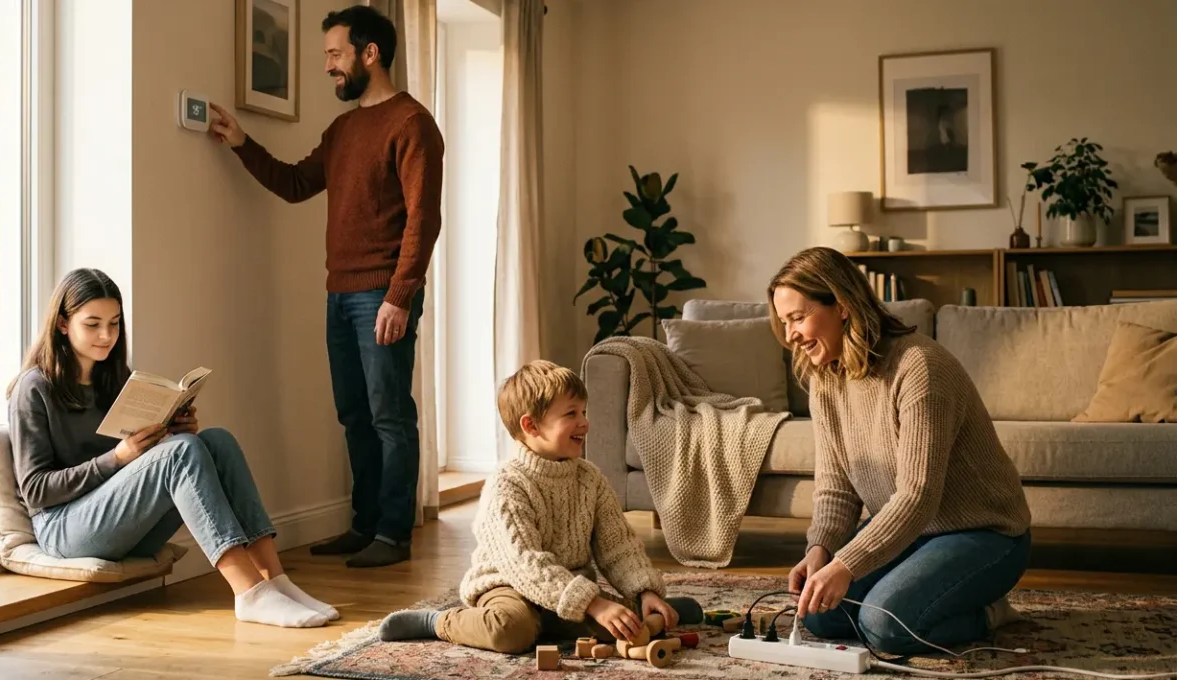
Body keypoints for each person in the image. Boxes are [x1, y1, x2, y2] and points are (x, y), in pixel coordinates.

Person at [208, 5, 444, 569]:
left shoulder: (412, 124)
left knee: (390, 416)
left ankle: (393, 533)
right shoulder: (342, 131)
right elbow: (294, 183)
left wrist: (399, 296)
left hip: (382, 294)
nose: (328, 66)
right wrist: (241, 141)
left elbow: (423, 219)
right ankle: (365, 526)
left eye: (336, 54)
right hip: (340, 294)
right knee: (354, 415)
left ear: (370, 54)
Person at [6, 268, 338, 629]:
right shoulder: (34, 388)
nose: (106, 336)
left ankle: (275, 579)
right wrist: (118, 457)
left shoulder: (113, 378)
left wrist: (171, 430)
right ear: (62, 324)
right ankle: (249, 593)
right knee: (181, 452)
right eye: (93, 324)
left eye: (114, 324)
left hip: (121, 526)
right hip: (63, 529)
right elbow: (36, 490)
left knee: (216, 441)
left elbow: (139, 472)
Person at [767, 247, 1033, 655]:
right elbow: (837, 487)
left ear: (842, 305)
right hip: (910, 533)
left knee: (884, 626)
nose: (790, 336)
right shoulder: (825, 379)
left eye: (798, 318)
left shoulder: (920, 367)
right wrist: (821, 551)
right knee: (820, 614)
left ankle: (989, 613)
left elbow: (917, 497)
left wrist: (846, 564)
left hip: (986, 534)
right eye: (785, 322)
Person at [375, 360, 703, 653]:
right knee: (510, 631)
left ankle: (642, 607)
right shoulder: (506, 485)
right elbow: (526, 564)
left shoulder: (590, 479)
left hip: (567, 586)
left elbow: (618, 547)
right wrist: (594, 604)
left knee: (625, 625)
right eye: (571, 414)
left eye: (584, 412)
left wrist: (644, 591)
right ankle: (438, 622)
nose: (584, 423)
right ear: (531, 426)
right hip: (509, 586)